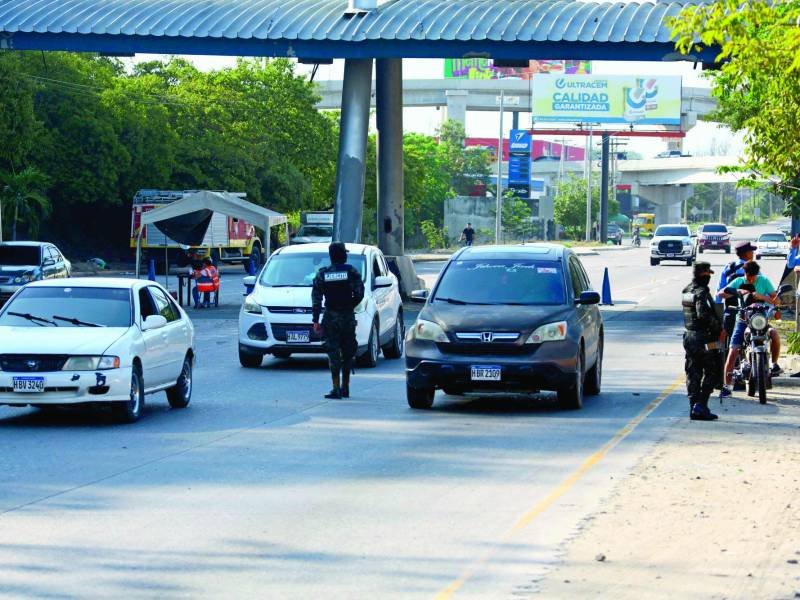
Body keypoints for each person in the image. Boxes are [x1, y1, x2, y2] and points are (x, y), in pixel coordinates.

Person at [717, 260, 782, 398]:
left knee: (774, 335)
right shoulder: (739, 281)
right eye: (748, 277)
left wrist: (762, 296)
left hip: (760, 320)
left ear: (757, 274)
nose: (751, 280)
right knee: (733, 350)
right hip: (742, 320)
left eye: (753, 277)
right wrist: (737, 291)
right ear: (745, 274)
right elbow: (721, 294)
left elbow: (776, 301)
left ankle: (773, 364)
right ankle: (727, 386)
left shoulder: (764, 281)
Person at [312, 242, 365, 399]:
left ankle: (335, 388)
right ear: (343, 255)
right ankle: (345, 388)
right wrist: (349, 306)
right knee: (348, 352)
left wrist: (315, 320)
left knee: (333, 352)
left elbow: (316, 298)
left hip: (330, 318)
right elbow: (360, 293)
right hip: (348, 318)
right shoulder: (351, 272)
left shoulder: (322, 274)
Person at [682, 262, 724, 421]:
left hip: (689, 337)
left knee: (693, 372)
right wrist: (719, 328)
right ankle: (701, 404)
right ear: (703, 275)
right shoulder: (701, 293)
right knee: (713, 370)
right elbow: (703, 315)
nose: (709, 278)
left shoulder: (687, 290)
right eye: (708, 275)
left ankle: (694, 407)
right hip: (705, 338)